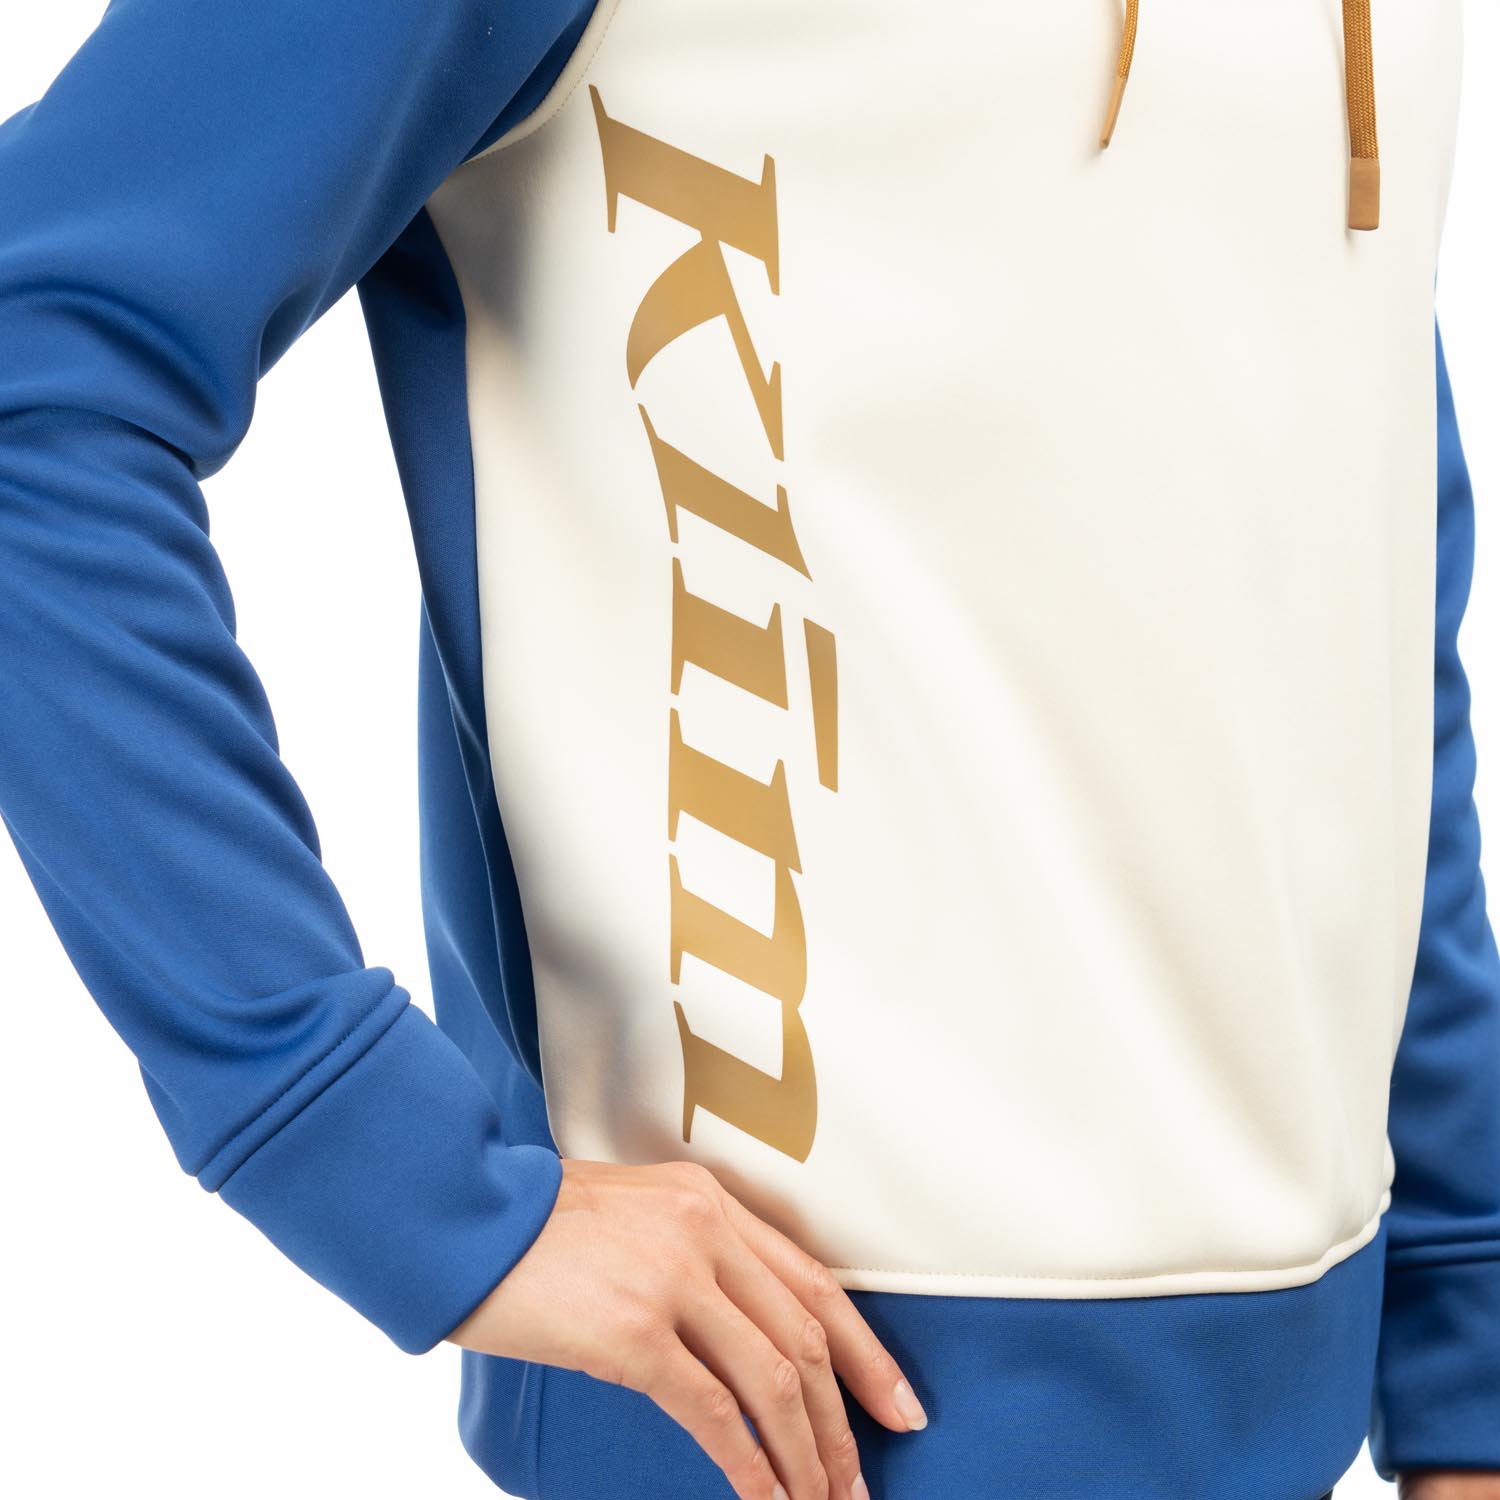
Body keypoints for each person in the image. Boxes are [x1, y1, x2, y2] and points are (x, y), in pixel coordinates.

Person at [1, 2, 1496, 1497]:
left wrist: (1465, 1338)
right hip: (789, 1412)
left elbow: (1343, 581)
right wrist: (366, 1151)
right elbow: (39, 360)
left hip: (1293, 1410)